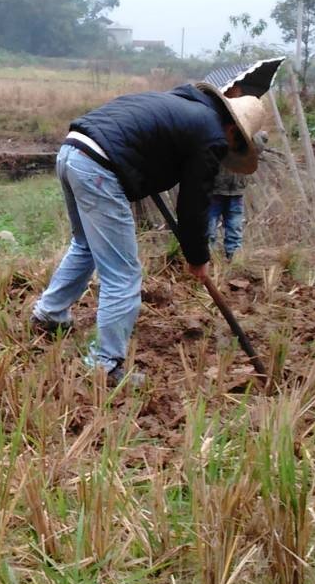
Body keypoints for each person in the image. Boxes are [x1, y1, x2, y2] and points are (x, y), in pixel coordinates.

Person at [28, 81, 273, 387]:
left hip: (72, 152)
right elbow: (194, 201)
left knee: (86, 245)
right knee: (123, 273)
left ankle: (49, 315)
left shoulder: (185, 108)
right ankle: (105, 366)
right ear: (234, 132)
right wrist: (197, 256)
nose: (226, 154)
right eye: (234, 147)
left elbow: (147, 149)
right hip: (99, 166)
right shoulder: (211, 134)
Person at [205, 166, 249, 260]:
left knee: (235, 226)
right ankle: (208, 257)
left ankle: (234, 256)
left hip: (237, 189)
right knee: (209, 227)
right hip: (214, 189)